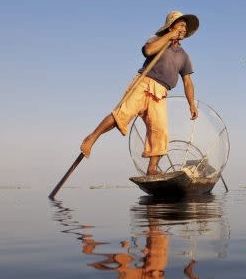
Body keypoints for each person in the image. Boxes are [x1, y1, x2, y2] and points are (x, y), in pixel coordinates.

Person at [80, 10, 199, 176]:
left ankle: (151, 168)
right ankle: (91, 138)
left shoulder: (184, 56)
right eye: (180, 25)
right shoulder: (157, 39)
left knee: (160, 130)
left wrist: (191, 104)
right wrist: (169, 36)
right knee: (122, 115)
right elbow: (148, 51)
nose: (183, 29)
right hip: (144, 83)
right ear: (171, 26)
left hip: (161, 92)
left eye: (185, 27)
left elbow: (188, 81)